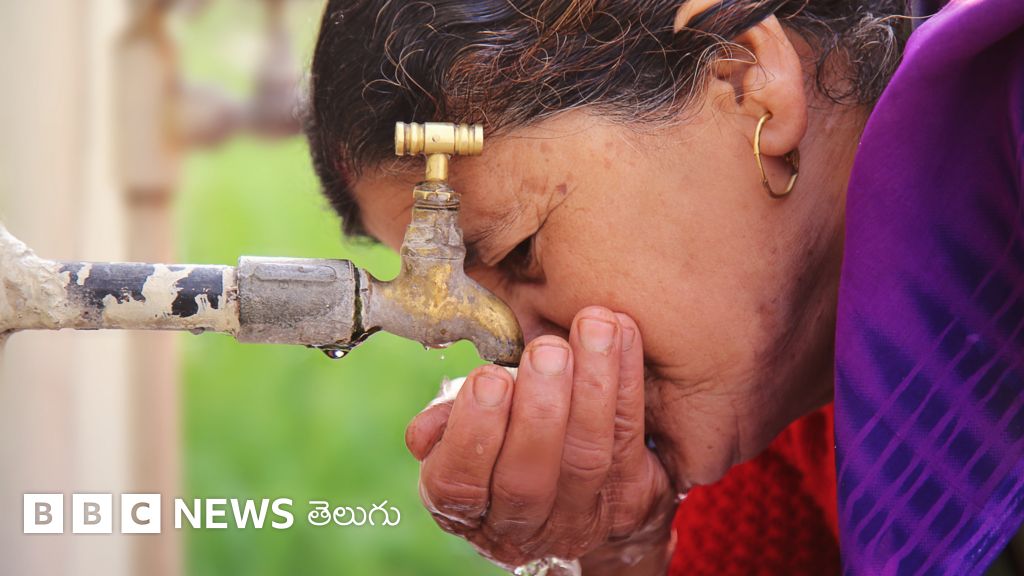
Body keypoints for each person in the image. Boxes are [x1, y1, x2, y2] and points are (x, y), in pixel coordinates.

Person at [304, 0, 1024, 573]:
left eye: (522, 251)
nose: (519, 349)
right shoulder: (778, 402)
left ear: (743, 78)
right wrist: (623, 550)